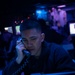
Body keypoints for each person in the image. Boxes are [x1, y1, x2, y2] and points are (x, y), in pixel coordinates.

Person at [2, 19, 75, 75]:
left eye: (33, 39)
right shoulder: (22, 53)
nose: (29, 44)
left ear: (42, 37)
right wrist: (18, 60)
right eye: (25, 40)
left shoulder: (57, 52)